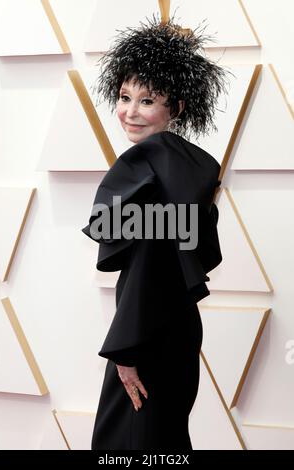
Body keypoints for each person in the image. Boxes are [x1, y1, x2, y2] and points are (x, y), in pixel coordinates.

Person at [81, 12, 232, 450]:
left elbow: (151, 263)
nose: (129, 111)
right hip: (174, 327)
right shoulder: (187, 165)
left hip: (145, 335)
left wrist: (126, 352)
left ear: (177, 108)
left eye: (147, 101)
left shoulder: (147, 166)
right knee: (163, 441)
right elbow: (189, 251)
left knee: (130, 448)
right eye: (125, 96)